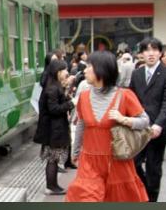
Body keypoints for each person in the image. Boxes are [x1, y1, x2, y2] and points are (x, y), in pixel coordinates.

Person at [65, 51, 149, 202]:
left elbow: (145, 121)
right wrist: (75, 151)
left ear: (101, 69)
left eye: (89, 66)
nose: (84, 70)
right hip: (89, 162)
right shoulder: (84, 97)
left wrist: (124, 119)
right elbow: (81, 125)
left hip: (116, 161)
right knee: (87, 198)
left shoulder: (125, 95)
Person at [130, 38, 166, 202]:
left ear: (159, 52)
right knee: (133, 165)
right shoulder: (136, 74)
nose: (150, 53)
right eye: (147, 50)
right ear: (141, 54)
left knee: (153, 169)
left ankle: (151, 200)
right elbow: (131, 98)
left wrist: (158, 124)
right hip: (138, 129)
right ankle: (145, 192)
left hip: (157, 131)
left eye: (154, 50)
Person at [33, 59, 73, 195]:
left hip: (53, 129)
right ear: (58, 72)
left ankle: (53, 185)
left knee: (53, 159)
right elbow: (54, 109)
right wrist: (70, 104)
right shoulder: (52, 88)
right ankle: (51, 186)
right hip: (53, 130)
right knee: (53, 159)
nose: (67, 73)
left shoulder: (54, 86)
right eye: (65, 70)